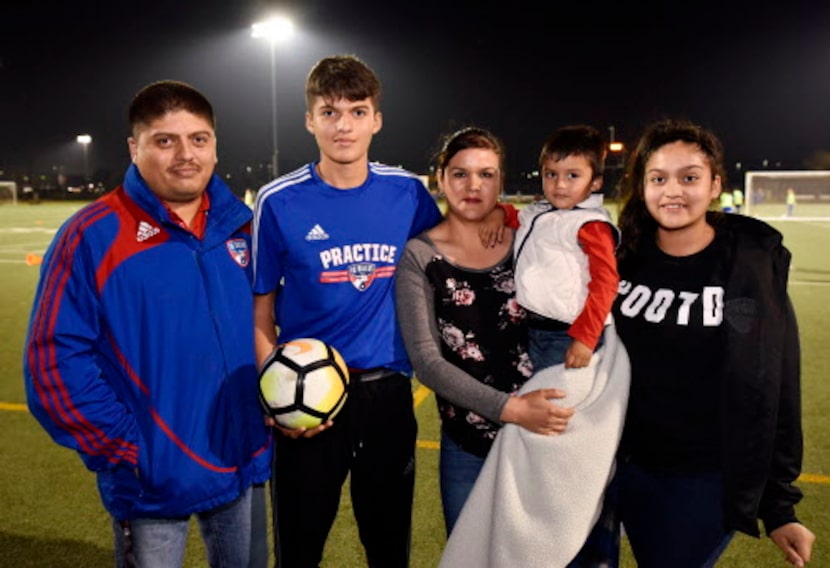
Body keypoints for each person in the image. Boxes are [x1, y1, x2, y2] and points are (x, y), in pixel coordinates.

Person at [23, 80, 273, 567]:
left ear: (215, 146)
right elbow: (52, 362)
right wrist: (126, 449)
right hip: (152, 482)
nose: (185, 154)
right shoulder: (92, 236)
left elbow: (274, 324)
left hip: (240, 462)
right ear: (134, 148)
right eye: (165, 140)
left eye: (198, 139)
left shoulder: (242, 225)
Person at [251, 54, 445, 568]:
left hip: (387, 394)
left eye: (357, 112)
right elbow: (260, 313)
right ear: (310, 120)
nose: (344, 125)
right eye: (330, 112)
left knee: (387, 547)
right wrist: (280, 401)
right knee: (299, 545)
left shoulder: (408, 193)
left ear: (376, 120)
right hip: (307, 399)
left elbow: (448, 261)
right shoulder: (277, 201)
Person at [611, 118, 815, 567]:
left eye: (689, 178)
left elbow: (778, 382)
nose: (673, 191)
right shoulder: (623, 259)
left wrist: (779, 505)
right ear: (642, 186)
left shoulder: (750, 269)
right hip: (621, 467)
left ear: (715, 184)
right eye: (658, 178)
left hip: (705, 477)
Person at [395, 126, 574, 535]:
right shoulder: (420, 256)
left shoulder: (529, 241)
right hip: (467, 445)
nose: (473, 185)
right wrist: (511, 409)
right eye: (460, 173)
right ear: (440, 178)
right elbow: (426, 362)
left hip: (541, 440)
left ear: (500, 181)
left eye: (486, 174)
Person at [512, 124, 619, 372]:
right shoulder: (540, 211)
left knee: (558, 406)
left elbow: (606, 283)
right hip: (534, 328)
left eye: (573, 175)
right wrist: (497, 215)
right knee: (536, 400)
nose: (560, 185)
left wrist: (585, 337)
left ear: (595, 182)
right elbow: (517, 219)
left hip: (567, 335)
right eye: (551, 174)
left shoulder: (590, 224)